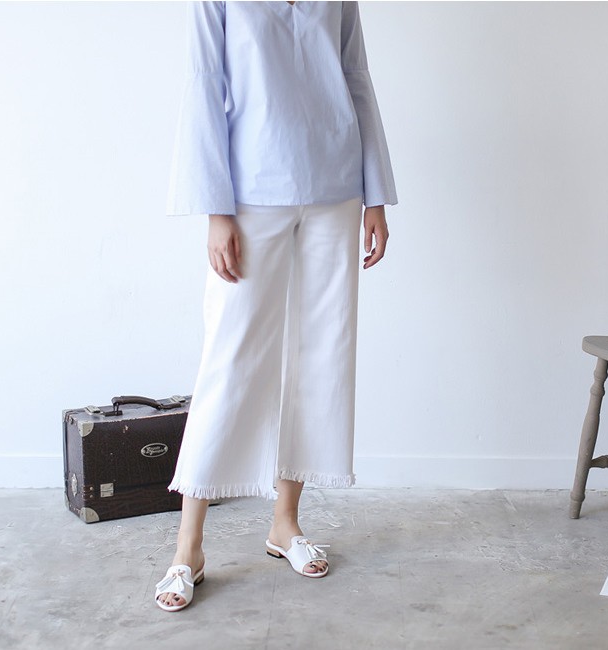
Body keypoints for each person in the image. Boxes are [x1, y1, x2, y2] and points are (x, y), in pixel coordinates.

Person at [156, 0, 397, 612]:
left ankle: (285, 522)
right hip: (251, 192)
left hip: (336, 188)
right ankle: (188, 548)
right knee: (230, 358)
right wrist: (215, 210)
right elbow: (204, 85)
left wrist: (375, 195)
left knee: (321, 355)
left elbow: (355, 75)